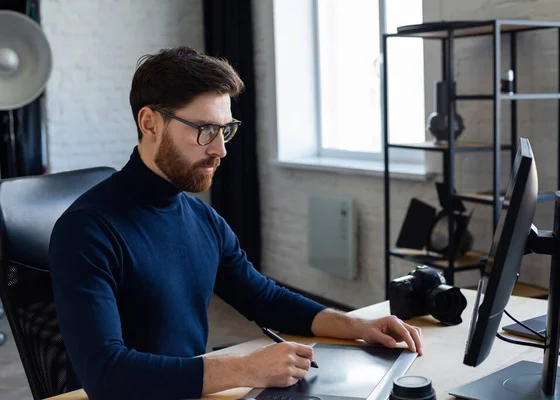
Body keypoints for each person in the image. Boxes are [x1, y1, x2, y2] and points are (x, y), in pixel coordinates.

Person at [49, 46, 423, 400]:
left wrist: (358, 326)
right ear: (149, 123)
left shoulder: (202, 220)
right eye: (205, 129)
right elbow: (105, 375)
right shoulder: (86, 231)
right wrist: (245, 369)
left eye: (225, 129)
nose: (220, 149)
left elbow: (264, 298)